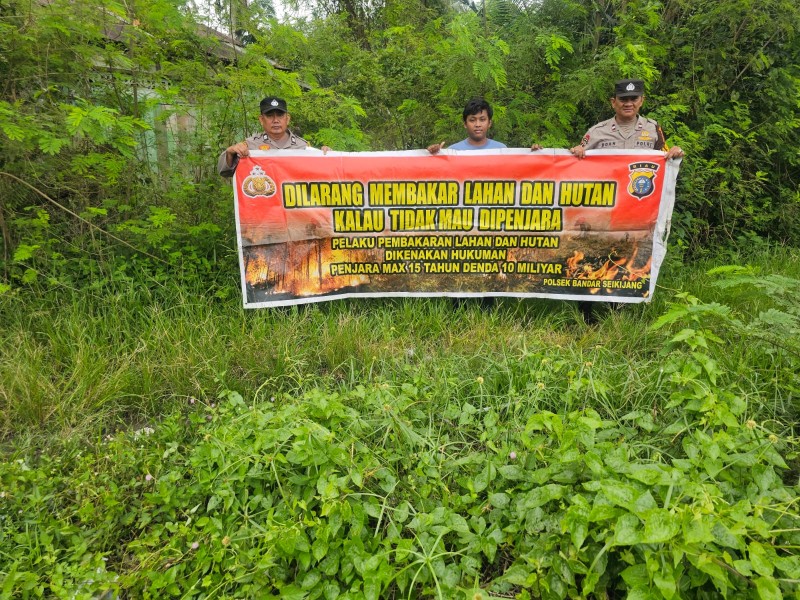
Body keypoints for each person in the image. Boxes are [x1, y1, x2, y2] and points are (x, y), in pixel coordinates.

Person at [570, 78, 684, 160]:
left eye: (634, 99)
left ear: (641, 101)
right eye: (623, 99)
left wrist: (675, 154)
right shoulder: (597, 132)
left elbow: (667, 162)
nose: (628, 104)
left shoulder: (653, 129)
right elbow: (577, 163)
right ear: (613, 102)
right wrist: (576, 152)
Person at [217, 96, 330, 177]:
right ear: (261, 119)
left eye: (280, 115)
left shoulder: (303, 146)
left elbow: (318, 176)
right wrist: (230, 153)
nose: (276, 120)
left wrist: (328, 157)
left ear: (287, 118)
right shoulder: (250, 145)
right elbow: (225, 172)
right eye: (270, 116)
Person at [427, 98, 508, 154]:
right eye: (472, 120)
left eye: (482, 119)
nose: (478, 124)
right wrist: (435, 156)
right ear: (465, 124)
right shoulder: (453, 151)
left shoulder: (501, 150)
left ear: (489, 123)